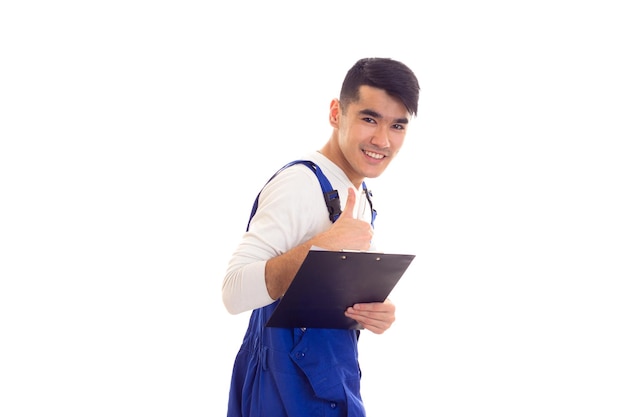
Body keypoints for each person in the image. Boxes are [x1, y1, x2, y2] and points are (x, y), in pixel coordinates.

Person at [222, 57, 420, 417]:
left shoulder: (359, 196)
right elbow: (233, 292)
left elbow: (320, 299)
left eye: (397, 126)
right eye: (369, 118)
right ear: (336, 113)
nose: (382, 139)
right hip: (281, 395)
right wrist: (321, 246)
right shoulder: (299, 185)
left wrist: (372, 313)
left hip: (330, 388)